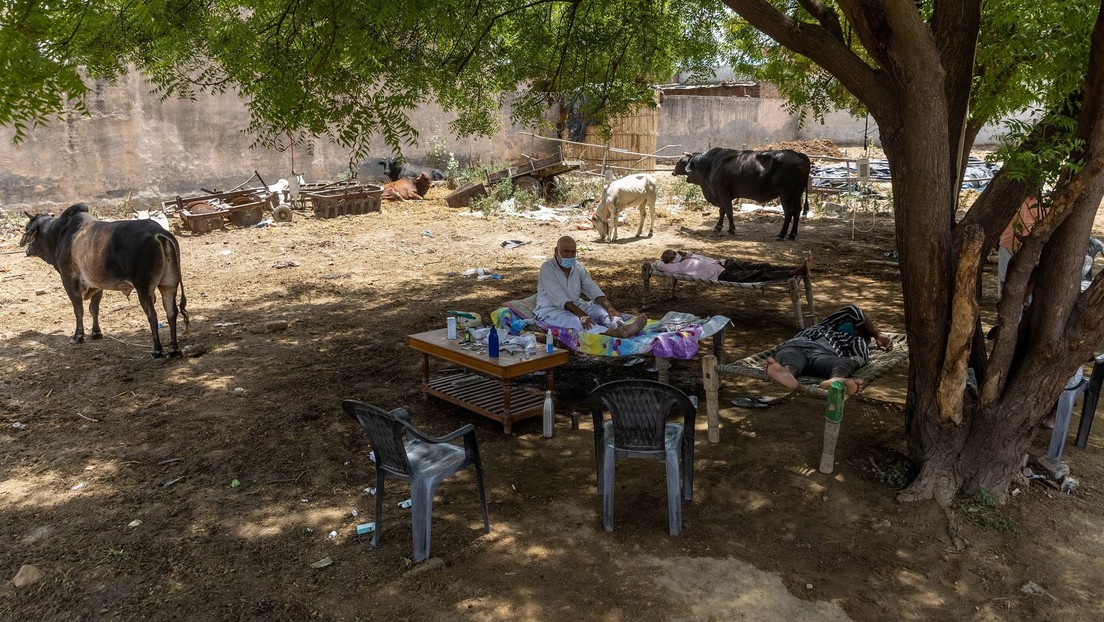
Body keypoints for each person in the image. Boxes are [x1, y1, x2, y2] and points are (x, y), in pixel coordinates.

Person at [763, 305, 893, 396]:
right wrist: (877, 334)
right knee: (790, 358)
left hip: (824, 355)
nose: (852, 326)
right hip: (798, 346)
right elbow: (852, 310)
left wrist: (850, 363)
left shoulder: (854, 340)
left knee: (844, 362)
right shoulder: (824, 326)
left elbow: (860, 357)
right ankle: (787, 374)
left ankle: (835, 381)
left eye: (858, 328)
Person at [535, 236, 647, 337]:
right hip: (551, 311)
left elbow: (592, 289)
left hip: (576, 305)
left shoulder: (577, 267)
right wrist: (582, 315)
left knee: (600, 310)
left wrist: (610, 308)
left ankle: (622, 326)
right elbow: (560, 298)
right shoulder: (547, 268)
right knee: (577, 322)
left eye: (572, 252)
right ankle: (615, 333)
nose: (569, 255)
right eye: (565, 251)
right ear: (556, 251)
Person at [997, 193, 1046, 300]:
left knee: (1027, 284)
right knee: (1004, 281)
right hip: (1008, 244)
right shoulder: (1015, 199)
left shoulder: (1046, 204)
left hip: (1032, 250)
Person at [655, 249, 810, 282]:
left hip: (725, 263)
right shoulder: (677, 268)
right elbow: (660, 266)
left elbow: (685, 254)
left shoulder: (688, 257)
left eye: (673, 252)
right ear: (669, 262)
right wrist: (661, 261)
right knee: (759, 274)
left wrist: (683, 254)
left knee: (762, 265)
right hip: (721, 275)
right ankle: (791, 273)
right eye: (671, 256)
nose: (675, 255)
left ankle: (791, 268)